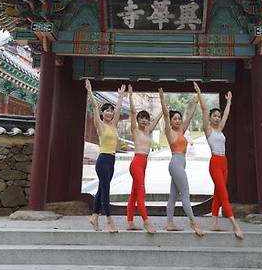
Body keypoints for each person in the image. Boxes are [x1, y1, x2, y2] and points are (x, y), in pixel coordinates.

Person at [194, 82, 243, 239]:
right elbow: (204, 109)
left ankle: (214, 223)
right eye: (215, 115)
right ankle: (235, 225)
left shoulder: (220, 129)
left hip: (224, 163)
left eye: (218, 116)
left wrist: (229, 101)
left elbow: (227, 115)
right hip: (215, 162)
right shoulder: (208, 129)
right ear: (210, 118)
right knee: (224, 194)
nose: (217, 117)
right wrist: (199, 93)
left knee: (217, 193)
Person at [158, 88, 203, 236]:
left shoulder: (181, 131)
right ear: (170, 121)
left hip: (179, 163)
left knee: (173, 196)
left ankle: (169, 223)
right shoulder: (170, 132)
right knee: (185, 194)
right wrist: (163, 100)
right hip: (176, 163)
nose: (178, 120)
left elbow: (189, 117)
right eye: (175, 118)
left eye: (179, 118)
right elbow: (165, 114)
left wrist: (196, 101)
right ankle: (193, 222)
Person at [85, 80, 125, 233]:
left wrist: (120, 97)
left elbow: (119, 108)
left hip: (112, 161)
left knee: (101, 190)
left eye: (111, 110)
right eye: (107, 110)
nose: (109, 112)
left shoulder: (113, 125)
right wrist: (89, 91)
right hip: (102, 161)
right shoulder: (100, 125)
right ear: (102, 113)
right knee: (106, 191)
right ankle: (109, 221)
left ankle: (94, 217)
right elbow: (95, 106)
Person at [126, 85, 161, 233]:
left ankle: (129, 222)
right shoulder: (135, 130)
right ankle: (146, 222)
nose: (145, 121)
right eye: (142, 119)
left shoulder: (148, 131)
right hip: (136, 163)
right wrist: (130, 96)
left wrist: (163, 101)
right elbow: (133, 113)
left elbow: (159, 116)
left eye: (146, 119)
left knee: (134, 193)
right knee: (141, 192)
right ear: (138, 120)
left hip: (144, 163)